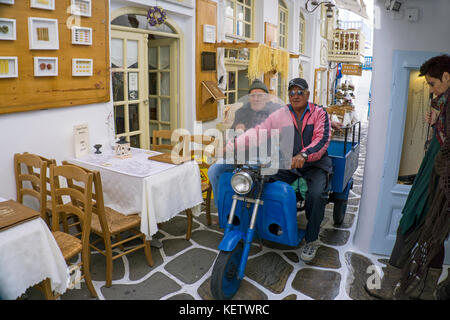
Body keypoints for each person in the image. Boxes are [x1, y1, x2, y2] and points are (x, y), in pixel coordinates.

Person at [366, 54, 450, 300]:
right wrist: (437, 124)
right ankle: (424, 292)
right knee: (433, 237)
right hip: (437, 184)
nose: (432, 91)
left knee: (408, 227)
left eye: (433, 84)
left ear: (447, 77)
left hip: (436, 185)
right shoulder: (443, 106)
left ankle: (389, 287)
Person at [222, 77, 332, 263]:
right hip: (288, 164)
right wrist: (233, 144)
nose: (295, 96)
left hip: (315, 165)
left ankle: (312, 239)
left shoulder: (319, 113)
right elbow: (258, 132)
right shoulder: (281, 114)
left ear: (307, 94)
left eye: (300, 92)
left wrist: (304, 155)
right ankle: (260, 222)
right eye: (292, 92)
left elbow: (321, 140)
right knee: (259, 178)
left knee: (315, 195)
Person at [208, 79, 278, 210]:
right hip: (239, 156)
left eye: (260, 95)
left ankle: (251, 210)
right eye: (253, 95)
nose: (256, 98)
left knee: (249, 174)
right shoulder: (242, 112)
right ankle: (223, 210)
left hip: (262, 157)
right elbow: (233, 135)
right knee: (214, 170)